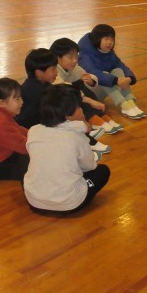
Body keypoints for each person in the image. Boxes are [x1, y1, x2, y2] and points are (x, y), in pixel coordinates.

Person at [24, 85, 111, 214]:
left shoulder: (33, 130)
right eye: (78, 107)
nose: (81, 109)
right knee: (102, 171)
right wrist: (83, 123)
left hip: (34, 201)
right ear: (67, 116)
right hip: (69, 204)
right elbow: (89, 166)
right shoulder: (76, 136)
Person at [50, 38, 123, 134]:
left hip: (71, 99)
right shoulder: (53, 70)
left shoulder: (74, 68)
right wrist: (91, 101)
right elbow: (64, 90)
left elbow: (87, 75)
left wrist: (91, 80)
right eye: (70, 57)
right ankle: (92, 118)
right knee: (77, 89)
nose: (75, 60)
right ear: (57, 58)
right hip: (58, 106)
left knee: (81, 85)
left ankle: (101, 116)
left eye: (76, 56)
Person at [78, 24, 146, 119]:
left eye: (112, 39)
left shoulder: (108, 52)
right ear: (97, 38)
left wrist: (129, 78)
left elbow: (120, 65)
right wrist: (115, 80)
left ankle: (130, 102)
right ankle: (123, 105)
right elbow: (93, 72)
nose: (109, 42)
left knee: (118, 70)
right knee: (105, 75)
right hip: (89, 94)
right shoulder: (84, 54)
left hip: (103, 88)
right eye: (106, 39)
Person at [15, 48, 59, 129]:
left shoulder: (44, 85)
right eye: (53, 69)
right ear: (38, 72)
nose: (56, 72)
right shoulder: (36, 92)